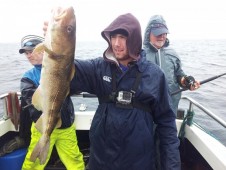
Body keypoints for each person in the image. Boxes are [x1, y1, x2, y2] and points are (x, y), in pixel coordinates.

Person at [44, 13, 181, 170]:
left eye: (122, 37)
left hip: (139, 163)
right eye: (113, 37)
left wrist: (172, 167)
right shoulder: (99, 67)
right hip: (101, 161)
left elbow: (167, 125)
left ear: (135, 38)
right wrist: (57, 43)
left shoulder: (155, 75)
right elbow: (65, 71)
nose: (116, 43)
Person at [18, 35, 84, 170]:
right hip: (42, 127)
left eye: (31, 51)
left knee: (75, 160)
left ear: (44, 50)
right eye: (26, 53)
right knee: (33, 163)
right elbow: (31, 101)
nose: (28, 56)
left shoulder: (63, 69)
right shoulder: (28, 77)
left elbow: (75, 80)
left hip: (66, 125)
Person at [143, 15, 200, 114]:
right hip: (146, 112)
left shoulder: (172, 54)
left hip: (169, 110)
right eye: (158, 33)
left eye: (164, 33)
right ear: (149, 33)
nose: (161, 36)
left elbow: (179, 75)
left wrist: (186, 81)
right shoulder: (139, 55)